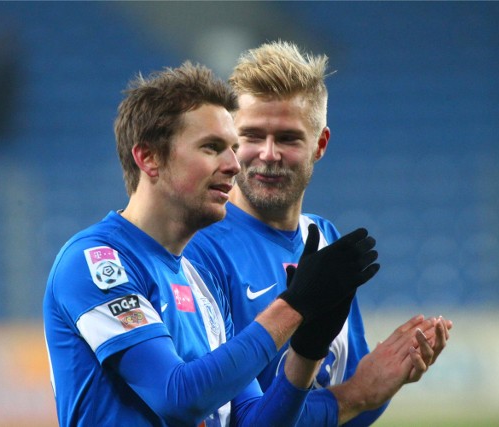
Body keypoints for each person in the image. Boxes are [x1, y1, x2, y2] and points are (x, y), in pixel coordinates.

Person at [43, 62, 390, 426]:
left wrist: (307, 350)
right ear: (148, 158)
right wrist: (294, 306)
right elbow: (177, 396)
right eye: (212, 147)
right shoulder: (95, 262)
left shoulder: (199, 284)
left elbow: (254, 422)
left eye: (233, 147)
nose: (235, 165)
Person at [185, 41, 452, 426]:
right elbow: (237, 419)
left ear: (320, 144)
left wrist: (385, 381)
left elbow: (351, 408)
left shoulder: (324, 240)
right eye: (253, 136)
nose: (269, 153)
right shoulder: (199, 250)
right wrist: (358, 394)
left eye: (289, 138)